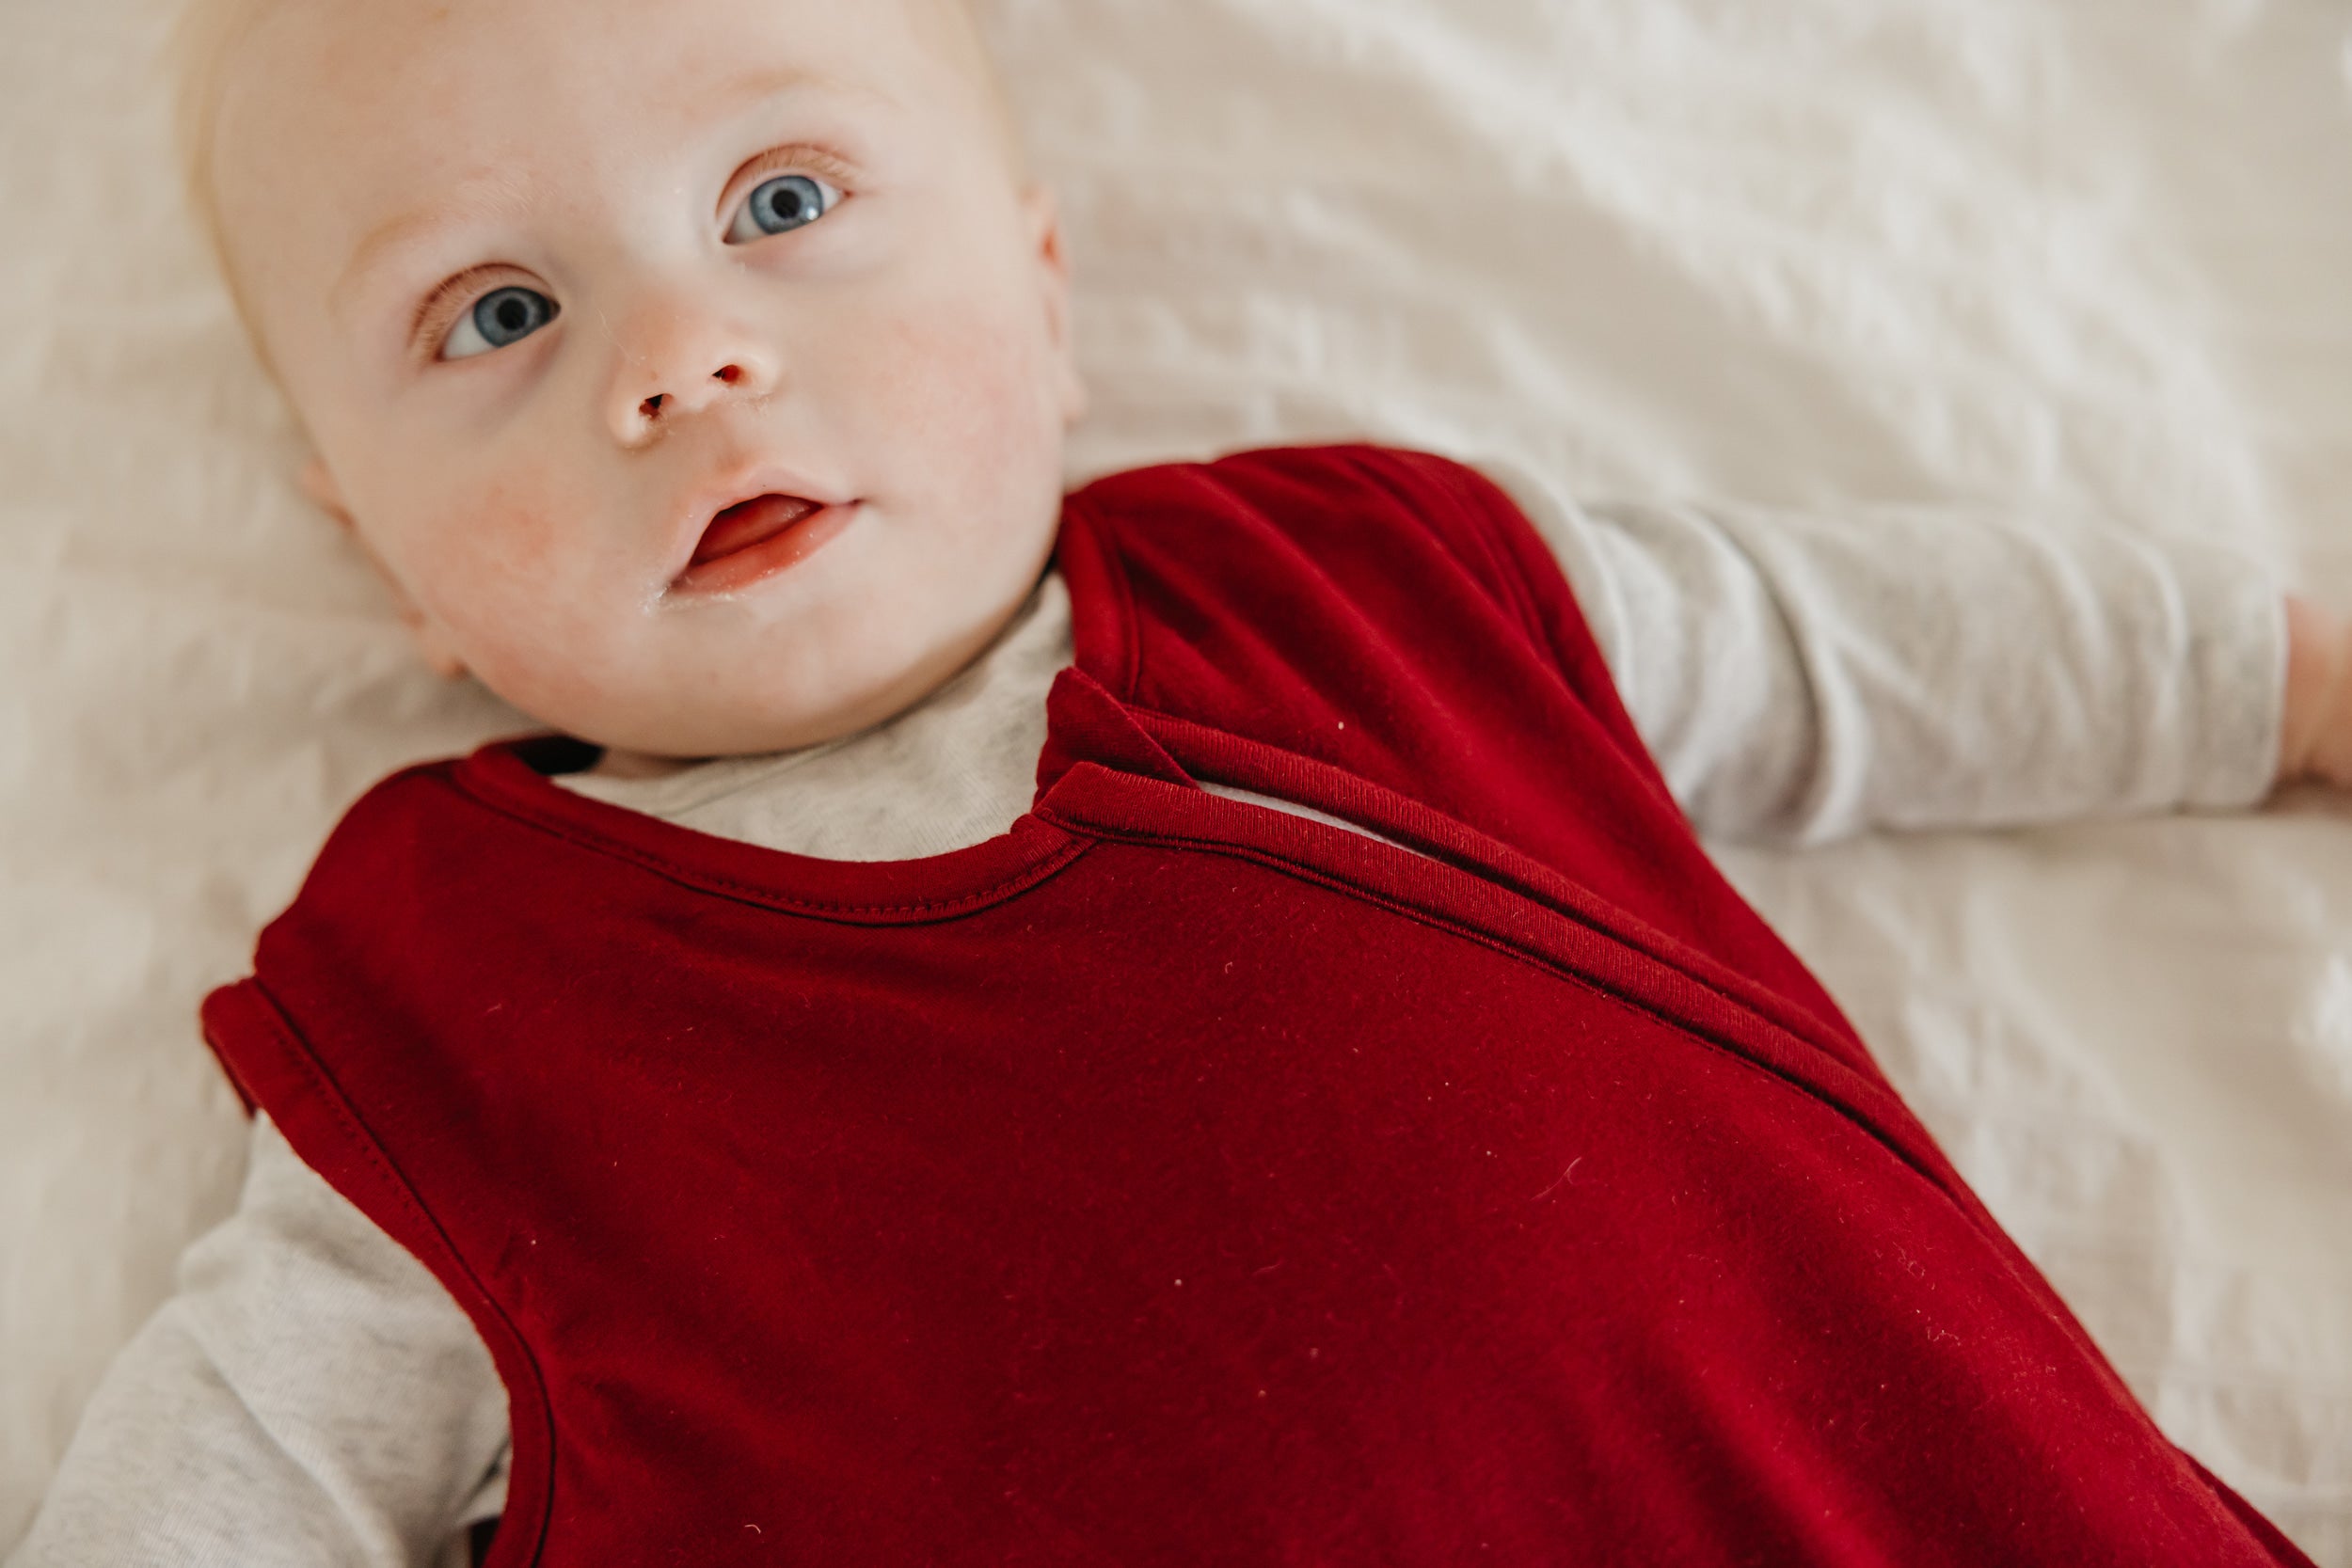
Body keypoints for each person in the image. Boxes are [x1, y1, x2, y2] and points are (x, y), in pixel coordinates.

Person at [11, 0, 2349, 1562]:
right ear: (381, 546)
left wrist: (2294, 685)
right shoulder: (450, 1011)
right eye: (499, 316)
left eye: (783, 204)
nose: (685, 355)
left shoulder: (1367, 593)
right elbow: (242, 1467)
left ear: (1043, 297)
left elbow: (1853, 643)